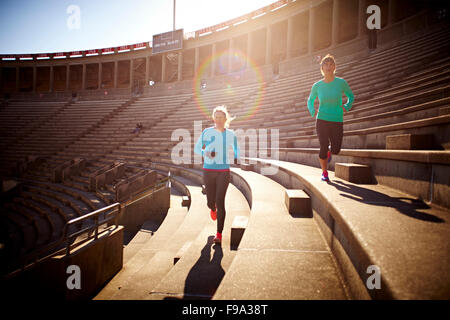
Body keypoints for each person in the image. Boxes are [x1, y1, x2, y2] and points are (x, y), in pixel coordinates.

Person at [194, 105, 240, 244]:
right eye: (217, 117)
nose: (219, 120)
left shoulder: (231, 134)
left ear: (226, 119)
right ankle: (212, 208)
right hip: (208, 170)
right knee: (210, 202)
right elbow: (197, 149)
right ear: (214, 118)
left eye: (222, 117)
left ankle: (219, 234)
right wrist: (207, 153)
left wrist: (237, 157)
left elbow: (236, 149)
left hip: (223, 171)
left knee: (220, 202)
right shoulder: (207, 132)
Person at [307, 54, 354, 182]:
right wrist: (312, 110)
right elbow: (310, 100)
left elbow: (351, 95)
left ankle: (329, 152)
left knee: (336, 149)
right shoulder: (317, 85)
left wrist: (347, 106)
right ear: (322, 68)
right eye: (325, 64)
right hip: (321, 119)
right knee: (323, 145)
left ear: (334, 67)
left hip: (337, 119)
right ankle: (324, 172)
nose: (328, 66)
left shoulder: (341, 82)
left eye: (331, 64)